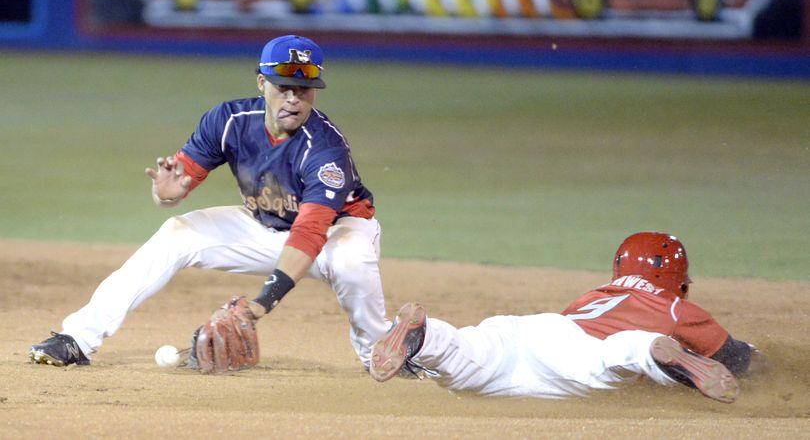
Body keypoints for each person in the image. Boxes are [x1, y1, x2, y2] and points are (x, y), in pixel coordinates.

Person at [29, 34, 391, 371]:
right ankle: (77, 338)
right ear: (262, 83)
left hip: (336, 232)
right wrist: (165, 193)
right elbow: (176, 182)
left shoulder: (324, 150)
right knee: (178, 232)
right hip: (265, 227)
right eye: (284, 87)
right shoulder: (229, 121)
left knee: (351, 261)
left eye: (305, 89)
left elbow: (310, 233)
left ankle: (381, 352)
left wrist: (260, 304)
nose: (294, 99)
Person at [368, 232, 758, 403]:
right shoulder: (675, 307)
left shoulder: (597, 295)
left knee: (467, 359)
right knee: (610, 359)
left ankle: (427, 337)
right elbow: (739, 360)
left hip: (531, 330)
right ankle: (650, 350)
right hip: (574, 355)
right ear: (678, 280)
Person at [561, 231, 766, 377]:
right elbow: (736, 360)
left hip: (547, 350)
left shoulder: (589, 297)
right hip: (595, 370)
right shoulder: (674, 309)